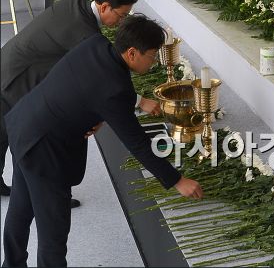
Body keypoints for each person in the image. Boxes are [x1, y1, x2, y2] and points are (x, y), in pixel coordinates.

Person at [2, 14, 203, 268]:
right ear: (132, 53)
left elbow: (76, 82)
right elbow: (138, 144)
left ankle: (11, 264)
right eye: (152, 56)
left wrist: (94, 114)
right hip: (45, 151)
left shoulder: (95, 44)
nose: (153, 64)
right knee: (53, 231)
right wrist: (177, 180)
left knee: (20, 209)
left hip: (24, 124)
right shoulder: (115, 89)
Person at [0, 0, 161, 203]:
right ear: (104, 6)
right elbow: (101, 79)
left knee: (4, 134)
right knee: (38, 142)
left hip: (9, 63)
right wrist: (140, 101)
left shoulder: (77, 0)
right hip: (18, 79)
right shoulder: (86, 35)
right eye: (122, 15)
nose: (122, 22)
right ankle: (54, 197)